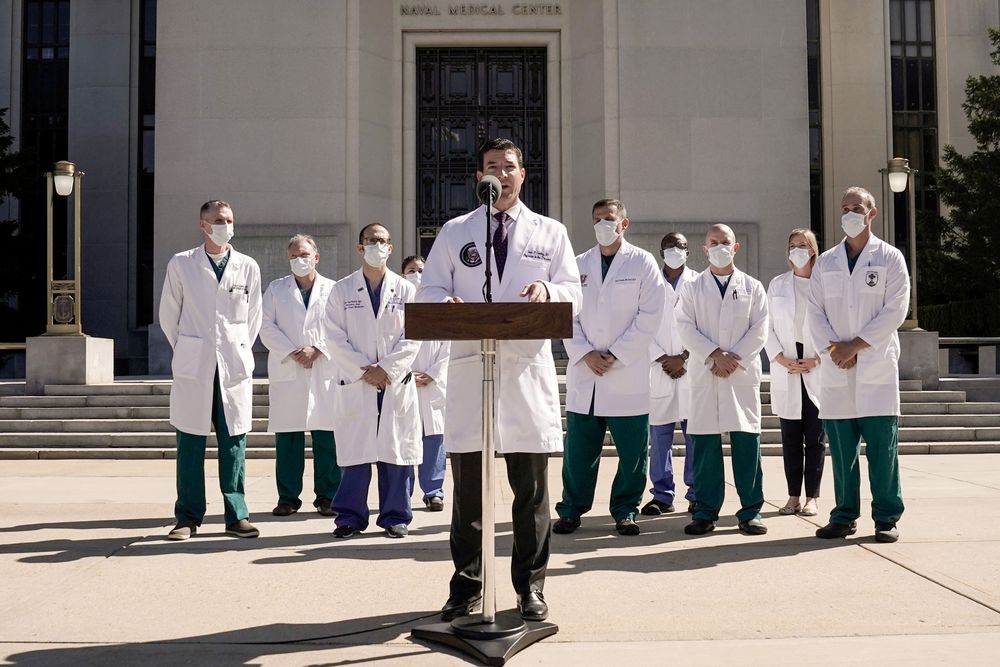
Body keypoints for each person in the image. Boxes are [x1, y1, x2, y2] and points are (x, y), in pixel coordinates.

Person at [418, 138, 581, 623]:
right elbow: (430, 286)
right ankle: (466, 586)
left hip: (524, 372)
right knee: (468, 492)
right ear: (479, 177)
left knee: (530, 493)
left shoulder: (549, 232)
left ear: (523, 175)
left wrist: (548, 289)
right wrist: (441, 302)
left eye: (509, 167)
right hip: (472, 370)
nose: (501, 175)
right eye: (492, 167)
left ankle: (530, 588)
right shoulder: (455, 231)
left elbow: (574, 290)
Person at [554, 199, 664, 537]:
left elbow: (650, 316)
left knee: (632, 454)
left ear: (624, 223)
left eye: (609, 219)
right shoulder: (577, 265)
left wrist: (614, 354)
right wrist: (585, 353)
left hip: (625, 374)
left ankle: (626, 509)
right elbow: (565, 315)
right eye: (597, 219)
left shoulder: (642, 263)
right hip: (586, 374)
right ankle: (572, 509)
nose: (603, 224)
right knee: (579, 453)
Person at [808, 187, 909, 543]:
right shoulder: (827, 262)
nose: (850, 213)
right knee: (842, 452)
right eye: (845, 207)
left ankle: (886, 517)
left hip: (875, 366)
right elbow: (815, 313)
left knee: (883, 450)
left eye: (858, 208)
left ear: (872, 213)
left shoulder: (891, 258)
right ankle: (844, 515)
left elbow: (895, 310)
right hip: (837, 367)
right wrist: (836, 350)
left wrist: (855, 346)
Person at [159, 200, 262, 540]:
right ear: (203, 225)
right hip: (195, 364)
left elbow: (253, 318)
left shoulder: (247, 266)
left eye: (229, 220)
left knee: (234, 442)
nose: (225, 225)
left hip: (232, 366)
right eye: (218, 220)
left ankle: (236, 515)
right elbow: (168, 315)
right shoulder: (182, 264)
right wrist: (189, 349)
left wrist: (234, 349)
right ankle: (187, 517)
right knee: (190, 442)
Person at [325, 223, 421, 539]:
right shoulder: (341, 290)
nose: (376, 245)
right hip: (359, 382)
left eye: (382, 241)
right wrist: (365, 370)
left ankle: (395, 517)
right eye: (370, 241)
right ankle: (349, 518)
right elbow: (334, 337)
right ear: (359, 248)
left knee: (395, 453)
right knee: (356, 454)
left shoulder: (407, 290)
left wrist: (387, 370)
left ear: (390, 248)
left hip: (394, 384)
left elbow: (414, 336)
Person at [676, 224, 769, 537]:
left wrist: (733, 359)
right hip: (707, 372)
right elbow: (685, 327)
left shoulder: (753, 286)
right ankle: (705, 512)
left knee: (746, 446)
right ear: (704, 249)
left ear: (736, 246)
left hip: (739, 375)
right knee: (704, 448)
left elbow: (760, 329)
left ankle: (751, 511)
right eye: (713, 242)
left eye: (724, 242)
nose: (719, 247)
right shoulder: (692, 287)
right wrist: (715, 355)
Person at [259, 234, 341, 517]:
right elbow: (265, 325)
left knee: (327, 437)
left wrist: (317, 349)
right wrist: (293, 351)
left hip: (324, 369)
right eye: (294, 256)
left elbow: (342, 328)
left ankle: (328, 496)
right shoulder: (275, 289)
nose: (299, 260)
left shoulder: (334, 290)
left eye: (304, 254)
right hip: (289, 367)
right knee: (288, 438)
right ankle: (288, 497)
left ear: (316, 257)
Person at [765, 229, 825, 518]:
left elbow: (833, 325)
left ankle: (813, 497)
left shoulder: (824, 283)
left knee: (815, 439)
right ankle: (792, 497)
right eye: (793, 245)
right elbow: (767, 327)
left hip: (816, 366)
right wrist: (779, 357)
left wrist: (818, 360)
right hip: (787, 365)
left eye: (803, 245)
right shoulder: (777, 285)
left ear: (813, 249)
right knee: (790, 439)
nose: (798, 249)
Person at [644, 232, 700, 517]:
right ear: (660, 251)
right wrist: (664, 357)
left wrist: (684, 357)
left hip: (691, 368)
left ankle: (695, 493)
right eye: (668, 246)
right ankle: (662, 495)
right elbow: (640, 322)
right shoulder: (650, 283)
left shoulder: (699, 282)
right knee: (660, 436)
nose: (674, 251)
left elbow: (704, 326)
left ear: (688, 251)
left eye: (679, 246)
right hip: (660, 367)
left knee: (695, 435)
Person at [402, 255, 450, 512]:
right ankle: (403, 491)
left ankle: (433, 491)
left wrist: (433, 374)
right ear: (402, 276)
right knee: (405, 439)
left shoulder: (439, 307)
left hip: (432, 384)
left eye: (421, 270)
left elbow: (449, 346)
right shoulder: (396, 306)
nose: (416, 275)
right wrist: (406, 374)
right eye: (411, 271)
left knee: (433, 439)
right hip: (405, 383)